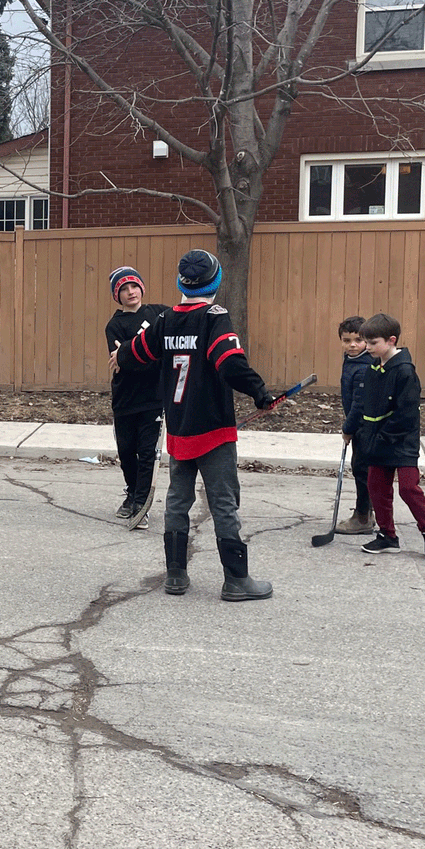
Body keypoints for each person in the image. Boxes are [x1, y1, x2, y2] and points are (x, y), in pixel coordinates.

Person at [111, 249, 277, 601]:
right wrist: (261, 393)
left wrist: (119, 355)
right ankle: (236, 580)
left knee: (177, 501)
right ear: (216, 282)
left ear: (181, 283)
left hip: (179, 429)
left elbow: (136, 351)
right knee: (224, 503)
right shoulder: (214, 318)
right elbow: (230, 363)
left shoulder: (166, 319)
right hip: (213, 430)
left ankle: (175, 576)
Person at [342, 312, 425, 557]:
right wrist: (353, 429)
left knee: (407, 488)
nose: (368, 347)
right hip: (376, 440)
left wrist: (383, 436)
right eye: (367, 342)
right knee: (376, 487)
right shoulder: (373, 368)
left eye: (373, 343)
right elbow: (364, 404)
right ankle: (387, 536)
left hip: (401, 441)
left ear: (391, 340)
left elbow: (406, 414)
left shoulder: (405, 372)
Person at [104, 266, 167, 529]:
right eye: (124, 289)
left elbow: (132, 358)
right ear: (117, 296)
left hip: (154, 398)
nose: (131, 292)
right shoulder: (114, 325)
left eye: (134, 286)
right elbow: (123, 364)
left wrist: (130, 352)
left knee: (147, 452)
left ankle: (141, 506)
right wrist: (146, 355)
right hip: (125, 399)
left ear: (142, 288)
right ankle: (132, 493)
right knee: (127, 452)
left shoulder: (159, 314)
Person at [335, 315, 374, 535]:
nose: (352, 345)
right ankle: (368, 512)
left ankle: (362, 517)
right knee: (362, 469)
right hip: (359, 426)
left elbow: (359, 404)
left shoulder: (364, 367)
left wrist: (348, 428)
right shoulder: (351, 361)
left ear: (367, 341)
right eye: (347, 340)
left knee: (362, 470)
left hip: (365, 427)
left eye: (358, 340)